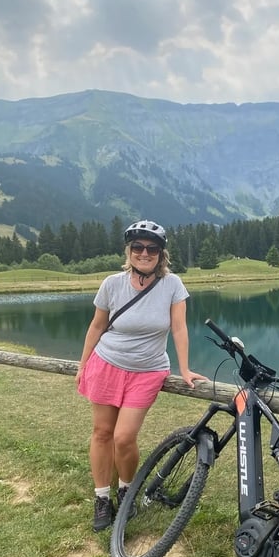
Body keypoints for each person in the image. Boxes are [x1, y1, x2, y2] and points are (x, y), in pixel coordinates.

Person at [76, 219, 207, 532]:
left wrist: (184, 368)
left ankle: (126, 489)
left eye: (152, 248)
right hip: (106, 363)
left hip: (148, 370)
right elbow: (97, 326)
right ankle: (102, 498)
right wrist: (83, 364)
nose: (144, 253)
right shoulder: (112, 284)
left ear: (161, 254)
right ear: (129, 251)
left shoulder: (172, 284)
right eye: (138, 247)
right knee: (102, 432)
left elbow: (179, 328)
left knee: (124, 437)